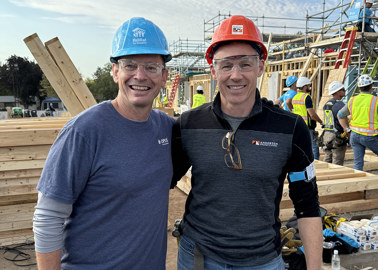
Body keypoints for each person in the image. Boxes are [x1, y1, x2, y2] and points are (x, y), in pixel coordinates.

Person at [171, 15, 322, 270]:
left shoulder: (290, 128)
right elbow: (156, 184)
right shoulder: (188, 125)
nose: (236, 75)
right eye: (226, 65)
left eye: (245, 64)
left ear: (261, 67)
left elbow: (307, 207)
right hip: (198, 258)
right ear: (213, 69)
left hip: (262, 261)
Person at [33, 17, 175, 270]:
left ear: (164, 76)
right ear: (115, 71)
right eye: (129, 65)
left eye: (151, 67)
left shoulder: (166, 127)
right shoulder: (84, 131)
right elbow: (48, 217)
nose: (140, 76)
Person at [338, 74, 378, 188]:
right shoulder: (376, 101)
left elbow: (340, 115)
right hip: (370, 136)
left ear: (359, 87)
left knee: (358, 161)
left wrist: (346, 129)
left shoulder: (353, 100)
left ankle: (356, 183)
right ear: (371, 86)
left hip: (355, 135)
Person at [292, 77, 324, 160]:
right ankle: (315, 166)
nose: (309, 87)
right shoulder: (306, 97)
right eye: (308, 86)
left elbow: (289, 104)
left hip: (298, 127)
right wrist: (321, 122)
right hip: (307, 127)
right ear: (305, 86)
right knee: (314, 148)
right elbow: (312, 115)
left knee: (301, 148)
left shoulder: (295, 97)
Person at [322, 81, 348, 166]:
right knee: (337, 161)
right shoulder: (339, 104)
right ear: (337, 91)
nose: (344, 91)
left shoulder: (327, 104)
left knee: (327, 159)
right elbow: (344, 119)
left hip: (327, 135)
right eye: (343, 89)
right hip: (337, 136)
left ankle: (324, 177)